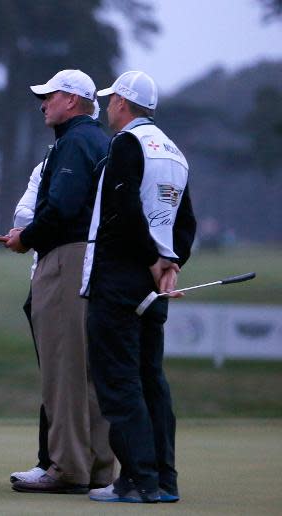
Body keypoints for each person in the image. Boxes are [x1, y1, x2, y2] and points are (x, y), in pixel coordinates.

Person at [83, 71, 196, 503]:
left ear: (123, 105)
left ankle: (139, 479)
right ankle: (162, 479)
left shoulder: (127, 144)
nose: (109, 107)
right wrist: (171, 263)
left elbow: (123, 208)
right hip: (156, 282)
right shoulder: (175, 152)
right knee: (151, 379)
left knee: (118, 380)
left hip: (122, 277)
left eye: (112, 100)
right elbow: (186, 222)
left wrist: (152, 259)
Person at [3, 70, 114, 494]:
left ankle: (68, 467)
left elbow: (63, 207)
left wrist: (24, 238)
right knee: (89, 371)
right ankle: (99, 466)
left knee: (64, 369)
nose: (43, 103)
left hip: (68, 257)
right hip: (96, 257)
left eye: (49, 96)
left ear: (72, 100)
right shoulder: (101, 141)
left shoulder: (74, 143)